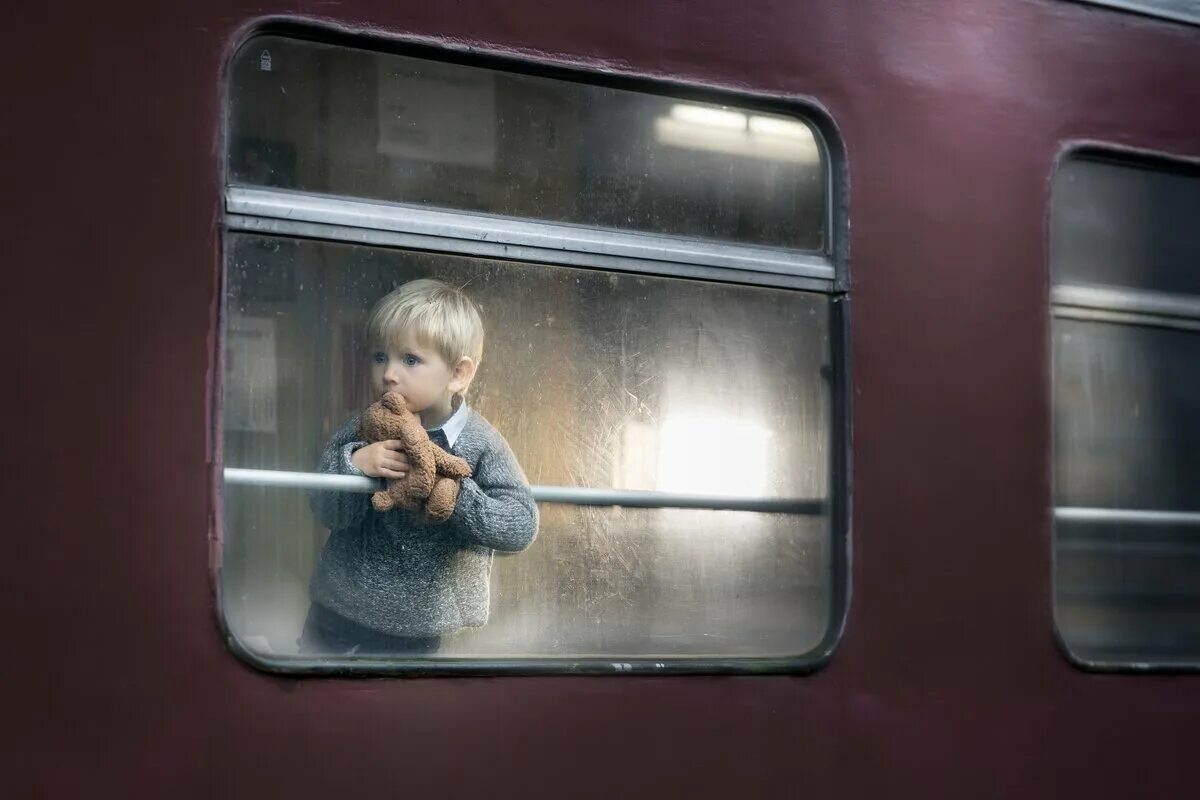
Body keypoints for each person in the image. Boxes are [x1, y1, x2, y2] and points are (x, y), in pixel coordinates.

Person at [303, 278, 537, 655]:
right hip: (339, 607)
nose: (389, 374)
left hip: (421, 624)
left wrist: (454, 496)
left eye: (410, 360)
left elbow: (521, 525)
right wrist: (354, 465)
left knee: (402, 709)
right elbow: (326, 510)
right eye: (380, 356)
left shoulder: (480, 443)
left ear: (458, 374)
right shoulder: (364, 427)